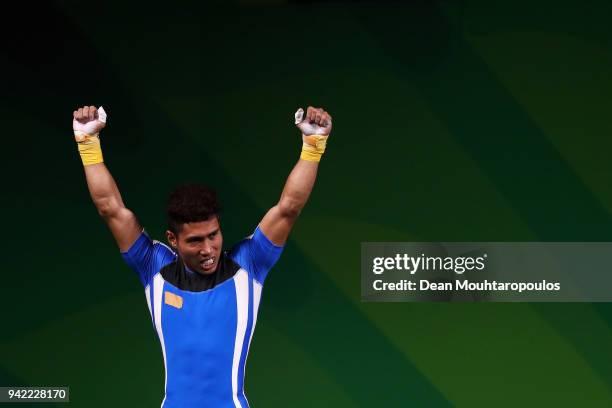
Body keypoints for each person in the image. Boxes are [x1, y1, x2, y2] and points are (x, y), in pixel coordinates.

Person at [72, 104, 332, 408]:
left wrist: (313, 145)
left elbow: (288, 208)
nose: (208, 249)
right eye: (195, 241)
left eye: (213, 235)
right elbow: (109, 207)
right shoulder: (153, 265)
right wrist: (88, 144)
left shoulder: (248, 263)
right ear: (173, 239)